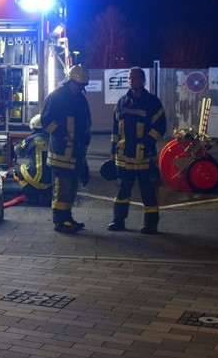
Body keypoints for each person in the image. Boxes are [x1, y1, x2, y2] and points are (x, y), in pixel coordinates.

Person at [107, 67, 168, 234]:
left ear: (143, 80)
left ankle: (151, 224)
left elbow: (160, 127)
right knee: (122, 190)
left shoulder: (152, 102)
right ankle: (118, 220)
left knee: (147, 191)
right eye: (129, 78)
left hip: (144, 156)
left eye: (135, 78)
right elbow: (115, 130)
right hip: (124, 156)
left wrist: (146, 143)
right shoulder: (121, 102)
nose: (131, 80)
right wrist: (113, 151)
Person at [40, 64, 92, 233]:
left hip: (76, 151)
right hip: (61, 151)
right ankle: (59, 221)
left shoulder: (80, 98)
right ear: (70, 81)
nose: (80, 89)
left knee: (71, 187)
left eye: (83, 86)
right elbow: (46, 121)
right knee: (61, 187)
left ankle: (67, 217)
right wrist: (62, 134)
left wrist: (85, 137)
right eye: (79, 85)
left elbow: (86, 121)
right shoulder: (56, 96)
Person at [10, 114, 51, 204]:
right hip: (51, 179)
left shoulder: (31, 139)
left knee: (16, 169)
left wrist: (16, 146)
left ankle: (30, 192)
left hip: (37, 178)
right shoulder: (52, 139)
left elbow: (20, 151)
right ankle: (45, 193)